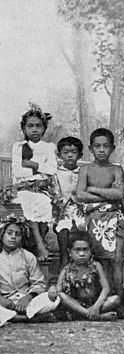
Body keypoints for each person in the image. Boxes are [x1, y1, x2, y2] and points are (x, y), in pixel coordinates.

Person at [76, 128, 124, 299]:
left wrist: (92, 189)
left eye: (105, 146)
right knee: (101, 261)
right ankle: (104, 299)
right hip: (95, 220)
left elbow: (119, 194)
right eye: (97, 146)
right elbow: (80, 195)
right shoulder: (85, 170)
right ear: (90, 148)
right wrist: (106, 193)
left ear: (112, 148)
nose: (101, 150)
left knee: (118, 259)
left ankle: (119, 300)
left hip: (115, 218)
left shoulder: (116, 169)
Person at [11, 102, 57, 261]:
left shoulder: (48, 147)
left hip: (42, 188)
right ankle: (40, 244)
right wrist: (40, 169)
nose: (34, 129)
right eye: (30, 126)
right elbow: (18, 171)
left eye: (38, 126)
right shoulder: (18, 147)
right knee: (29, 199)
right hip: (23, 187)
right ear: (24, 128)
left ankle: (41, 241)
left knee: (43, 200)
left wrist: (32, 165)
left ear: (44, 128)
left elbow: (52, 169)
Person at [0, 215, 60, 326]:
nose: (13, 237)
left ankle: (14, 317)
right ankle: (27, 318)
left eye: (17, 234)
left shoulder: (28, 257)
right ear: (2, 235)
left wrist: (27, 298)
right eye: (9, 233)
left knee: (53, 300)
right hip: (5, 302)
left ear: (22, 238)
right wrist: (2, 300)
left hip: (27, 300)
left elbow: (39, 283)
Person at [48, 232, 120, 321]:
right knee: (62, 296)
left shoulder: (96, 266)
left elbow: (106, 288)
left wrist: (96, 306)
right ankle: (95, 316)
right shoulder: (66, 270)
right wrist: (52, 288)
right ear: (69, 252)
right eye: (77, 250)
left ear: (90, 251)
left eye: (85, 250)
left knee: (115, 299)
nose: (81, 254)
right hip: (76, 305)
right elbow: (58, 290)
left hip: (95, 304)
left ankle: (85, 314)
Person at [54, 136, 86, 270]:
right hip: (63, 210)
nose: (70, 155)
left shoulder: (84, 172)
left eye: (74, 152)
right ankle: (64, 266)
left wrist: (81, 204)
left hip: (80, 209)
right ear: (59, 154)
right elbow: (55, 193)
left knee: (83, 227)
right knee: (63, 230)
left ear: (80, 155)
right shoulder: (56, 173)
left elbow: (86, 191)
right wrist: (61, 204)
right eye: (66, 152)